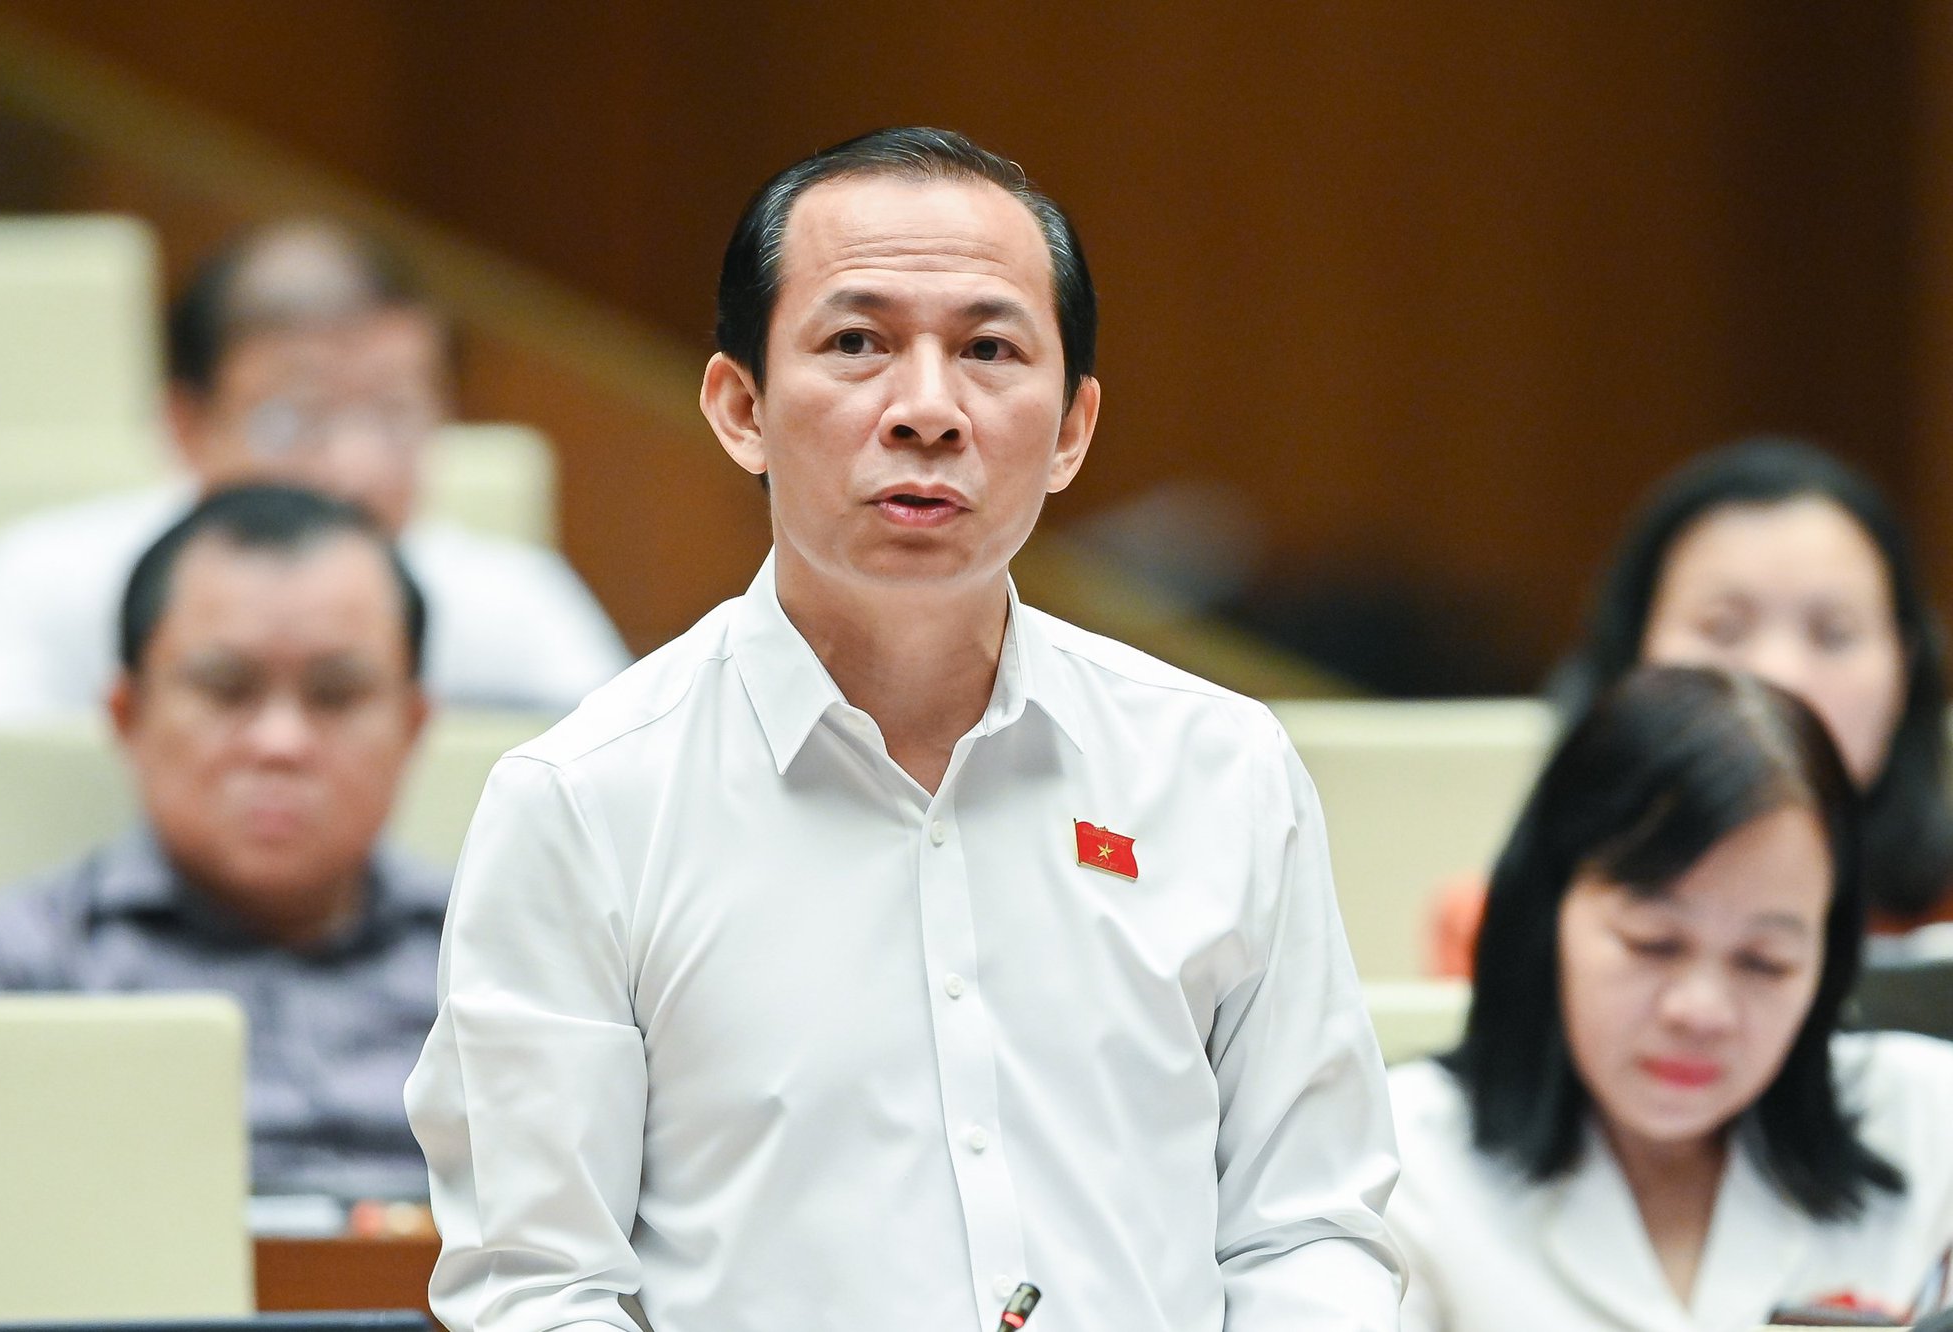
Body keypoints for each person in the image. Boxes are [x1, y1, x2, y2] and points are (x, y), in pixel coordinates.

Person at [406, 127, 1404, 1331]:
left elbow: (1306, 1226)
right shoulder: (582, 801)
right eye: (855, 344)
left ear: (1071, 429)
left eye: (988, 350)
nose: (926, 410)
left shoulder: (1218, 768)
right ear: (739, 407)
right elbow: (537, 1287)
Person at [1390, 665, 1953, 1330]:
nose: (1701, 1012)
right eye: (1653, 944)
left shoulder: (1928, 1121)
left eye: (1765, 962)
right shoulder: (1397, 1162)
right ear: (1547, 916)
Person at [0, 483, 447, 1200]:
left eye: (335, 695)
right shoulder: (3, 978)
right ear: (127, 714)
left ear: (414, 724)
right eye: (226, 689)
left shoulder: (498, 964)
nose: (281, 743)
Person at [0, 217, 628, 724]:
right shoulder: (49, 583)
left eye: (397, 414)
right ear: (186, 426)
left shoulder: (517, 602)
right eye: (295, 421)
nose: (357, 470)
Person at [1431, 437, 1953, 975]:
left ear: (1907, 668)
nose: (1780, 677)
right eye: (1722, 628)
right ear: (1632, 658)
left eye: (1834, 634)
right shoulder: (1505, 927)